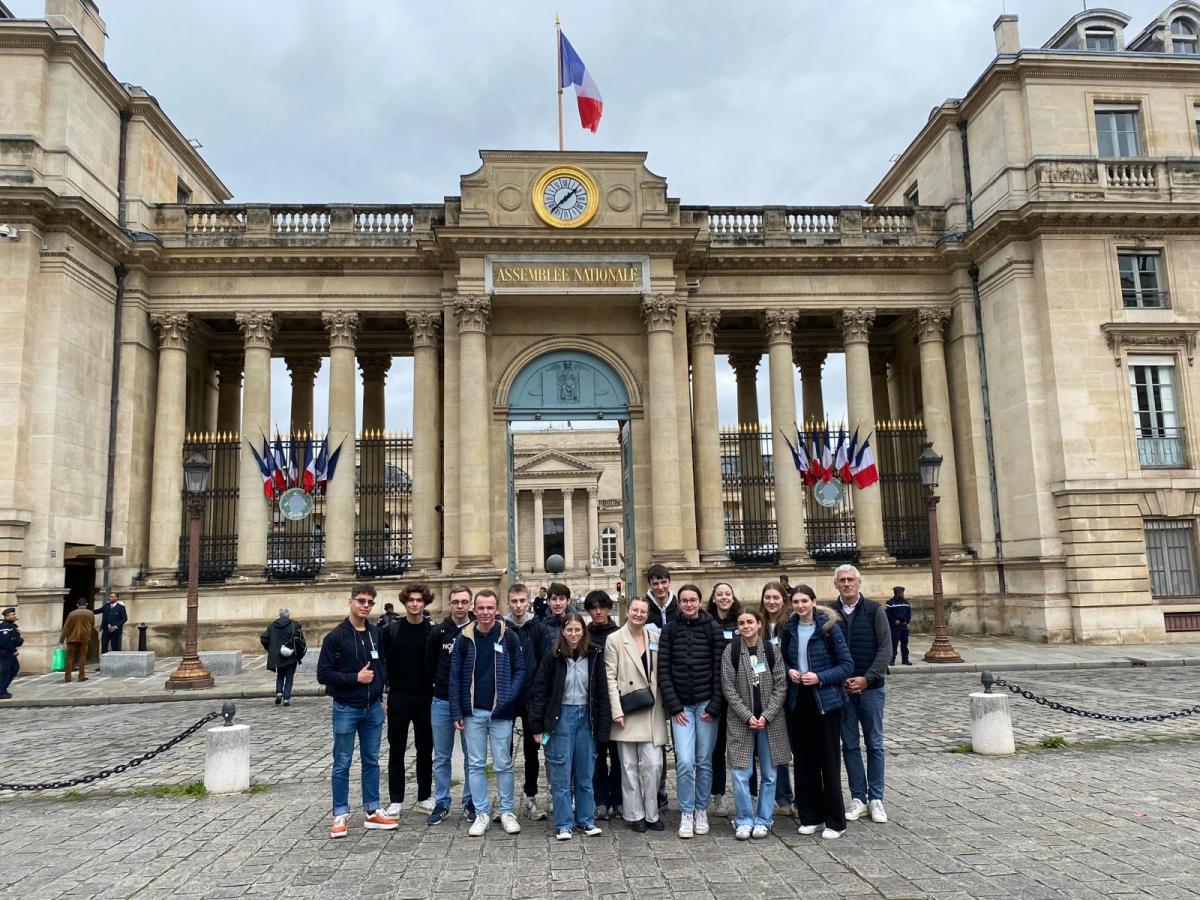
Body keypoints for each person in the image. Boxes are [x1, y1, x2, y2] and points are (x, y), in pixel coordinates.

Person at [315, 583, 399, 838]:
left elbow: (381, 665)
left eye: (370, 602)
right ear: (350, 601)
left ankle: (372, 810)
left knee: (371, 760)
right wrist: (355, 678)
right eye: (361, 600)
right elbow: (323, 675)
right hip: (346, 708)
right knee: (342, 761)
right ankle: (340, 813)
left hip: (372, 708)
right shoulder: (335, 637)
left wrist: (379, 694)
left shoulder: (375, 634)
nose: (365, 605)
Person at [449, 589, 526, 837]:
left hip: (500, 713)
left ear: (497, 609)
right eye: (481, 608)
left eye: (489, 607)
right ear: (474, 609)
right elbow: (455, 677)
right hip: (473, 713)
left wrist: (509, 697)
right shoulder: (464, 638)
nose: (485, 612)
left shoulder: (508, 636)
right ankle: (481, 813)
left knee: (503, 764)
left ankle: (507, 811)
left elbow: (520, 670)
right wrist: (456, 711)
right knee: (476, 765)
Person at [529, 612, 610, 840]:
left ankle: (586, 820)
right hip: (561, 716)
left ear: (584, 632)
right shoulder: (552, 658)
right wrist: (537, 726)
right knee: (561, 773)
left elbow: (602, 693)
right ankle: (564, 824)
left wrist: (603, 727)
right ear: (563, 632)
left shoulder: (594, 656)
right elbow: (540, 692)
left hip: (586, 717)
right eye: (569, 630)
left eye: (577, 630)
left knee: (585, 773)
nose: (573, 634)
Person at [782, 583, 854, 839]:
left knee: (828, 760)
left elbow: (846, 665)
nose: (800, 606)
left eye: (804, 601)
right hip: (798, 699)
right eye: (796, 602)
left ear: (813, 602)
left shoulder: (829, 628)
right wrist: (789, 671)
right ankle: (810, 816)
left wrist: (820, 677)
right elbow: (783, 660)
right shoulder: (789, 629)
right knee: (804, 761)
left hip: (825, 701)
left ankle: (835, 821)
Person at [657, 583, 725, 839]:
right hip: (682, 706)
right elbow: (664, 669)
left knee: (704, 761)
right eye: (684, 600)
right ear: (679, 603)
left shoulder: (712, 628)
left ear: (700, 602)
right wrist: (674, 705)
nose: (688, 604)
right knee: (685, 761)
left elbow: (720, 669)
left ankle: (701, 809)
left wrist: (715, 704)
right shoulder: (670, 630)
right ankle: (686, 811)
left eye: (692, 600)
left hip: (707, 704)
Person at [721, 606, 789, 840]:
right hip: (741, 722)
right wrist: (747, 715)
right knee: (741, 773)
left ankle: (764, 819)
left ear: (759, 624)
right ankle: (744, 819)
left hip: (770, 722)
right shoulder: (731, 651)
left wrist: (766, 715)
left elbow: (781, 685)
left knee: (770, 774)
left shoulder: (771, 650)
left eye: (750, 622)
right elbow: (728, 687)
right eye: (741, 623)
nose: (746, 626)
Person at [832, 564, 892, 824]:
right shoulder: (829, 612)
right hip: (843, 689)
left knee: (875, 743)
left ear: (859, 583)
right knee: (850, 746)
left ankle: (876, 797)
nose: (847, 584)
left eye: (851, 580)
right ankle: (858, 796)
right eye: (842, 580)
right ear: (836, 584)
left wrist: (867, 679)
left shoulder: (875, 610)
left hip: (871, 689)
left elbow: (886, 649)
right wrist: (840, 678)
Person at [605, 595, 667, 833]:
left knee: (654, 764)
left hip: (651, 708)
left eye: (643, 611)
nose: (638, 614)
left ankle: (652, 813)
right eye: (635, 610)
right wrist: (616, 710)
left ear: (648, 614)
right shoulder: (615, 639)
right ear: (627, 611)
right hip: (627, 708)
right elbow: (610, 677)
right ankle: (635, 814)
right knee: (629, 766)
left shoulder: (655, 638)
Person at [379, 584, 435, 817]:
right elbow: (381, 663)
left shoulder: (433, 631)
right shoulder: (391, 631)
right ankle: (396, 799)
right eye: (411, 600)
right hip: (399, 696)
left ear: (425, 603)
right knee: (397, 750)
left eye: (419, 600)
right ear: (404, 602)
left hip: (425, 697)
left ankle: (424, 796)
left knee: (425, 749)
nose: (415, 604)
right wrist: (382, 695)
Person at [425, 585, 475, 826]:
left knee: (471, 756)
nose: (460, 606)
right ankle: (442, 801)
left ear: (470, 604)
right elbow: (429, 665)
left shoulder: (478, 629)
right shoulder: (438, 632)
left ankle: (470, 801)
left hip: (470, 703)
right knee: (442, 757)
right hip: (442, 700)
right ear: (450, 603)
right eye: (456, 602)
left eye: (464, 602)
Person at [505, 582, 551, 822]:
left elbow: (546, 663)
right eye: (514, 601)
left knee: (532, 751)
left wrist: (541, 696)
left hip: (532, 697)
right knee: (504, 750)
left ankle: (530, 795)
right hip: (507, 697)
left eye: (522, 601)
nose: (518, 605)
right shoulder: (502, 628)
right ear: (508, 603)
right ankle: (505, 801)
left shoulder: (539, 628)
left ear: (529, 602)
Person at [584, 589, 622, 821]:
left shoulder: (618, 634)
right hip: (594, 702)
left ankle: (618, 799)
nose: (598, 612)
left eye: (602, 607)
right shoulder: (585, 635)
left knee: (618, 756)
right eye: (593, 608)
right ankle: (599, 800)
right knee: (596, 756)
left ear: (609, 608)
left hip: (615, 701)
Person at [643, 563, 678, 808]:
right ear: (650, 585)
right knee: (657, 739)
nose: (660, 587)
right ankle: (659, 788)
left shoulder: (680, 606)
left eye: (663, 582)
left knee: (681, 741)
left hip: (678, 681)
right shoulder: (644, 608)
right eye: (655, 583)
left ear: (669, 582)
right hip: (653, 681)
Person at [759, 581, 795, 815]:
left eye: (775, 597)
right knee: (775, 748)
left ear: (784, 600)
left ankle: (802, 798)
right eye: (767, 597)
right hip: (765, 695)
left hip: (790, 691)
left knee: (795, 747)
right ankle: (783, 797)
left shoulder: (791, 624)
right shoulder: (758, 624)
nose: (771, 602)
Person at [706, 581, 741, 818]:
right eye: (720, 594)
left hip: (740, 691)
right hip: (715, 690)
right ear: (713, 598)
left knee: (743, 746)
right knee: (717, 746)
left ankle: (749, 793)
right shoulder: (707, 621)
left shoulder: (742, 620)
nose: (724, 597)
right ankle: (718, 794)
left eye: (728, 593)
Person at [260, 608, 305, 705]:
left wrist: (271, 648)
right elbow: (300, 640)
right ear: (288, 615)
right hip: (291, 655)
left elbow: (264, 638)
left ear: (280, 615)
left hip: (278, 656)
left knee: (280, 675)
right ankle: (286, 699)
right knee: (289, 677)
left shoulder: (272, 625)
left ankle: (279, 693)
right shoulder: (294, 624)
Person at [59, 598, 96, 683]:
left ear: (77, 604)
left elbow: (66, 628)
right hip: (84, 638)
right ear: (86, 604)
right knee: (82, 657)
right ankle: (81, 676)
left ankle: (67, 677)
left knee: (69, 658)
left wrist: (61, 640)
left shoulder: (72, 614)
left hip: (72, 638)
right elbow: (92, 625)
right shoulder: (90, 613)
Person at [886, 585, 912, 666]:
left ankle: (905, 659)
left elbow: (909, 613)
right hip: (895, 627)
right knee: (894, 644)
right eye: (901, 593)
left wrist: (907, 621)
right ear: (896, 593)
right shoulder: (890, 603)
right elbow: (887, 614)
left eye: (903, 593)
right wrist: (894, 621)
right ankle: (892, 659)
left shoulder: (905, 602)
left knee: (905, 643)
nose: (902, 594)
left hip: (903, 627)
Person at [0, 607, 22, 700]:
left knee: (14, 668)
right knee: (6, 671)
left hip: (9, 652)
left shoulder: (12, 626)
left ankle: (2, 689)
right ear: (7, 616)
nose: (15, 615)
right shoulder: (4, 626)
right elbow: (4, 641)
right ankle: (1, 692)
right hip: (5, 652)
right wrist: (13, 650)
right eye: (13, 614)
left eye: (14, 614)